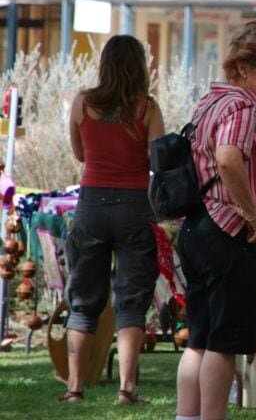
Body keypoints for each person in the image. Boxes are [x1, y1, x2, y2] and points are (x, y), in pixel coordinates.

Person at [175, 19, 256, 420]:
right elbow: (228, 159)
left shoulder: (212, 100)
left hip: (197, 228)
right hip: (228, 233)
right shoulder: (242, 106)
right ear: (244, 67)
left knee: (200, 338)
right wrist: (252, 215)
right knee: (222, 343)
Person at [64, 35, 165, 404]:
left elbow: (79, 154)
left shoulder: (83, 102)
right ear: (139, 66)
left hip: (91, 204)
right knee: (132, 299)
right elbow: (158, 162)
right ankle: (126, 388)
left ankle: (74, 388)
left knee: (83, 299)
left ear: (104, 64)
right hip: (134, 205)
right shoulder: (147, 108)